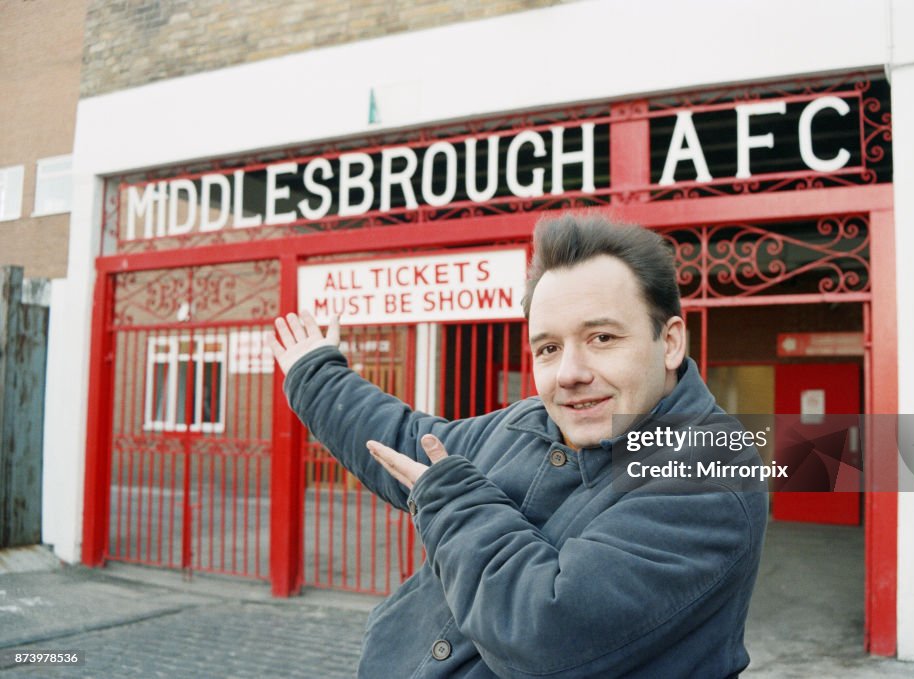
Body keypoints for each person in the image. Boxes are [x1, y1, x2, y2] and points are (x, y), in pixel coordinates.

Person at [270, 213, 768, 678]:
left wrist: (454, 502)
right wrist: (315, 374)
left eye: (601, 338)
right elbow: (407, 447)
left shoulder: (715, 465)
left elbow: (547, 632)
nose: (570, 374)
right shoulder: (527, 423)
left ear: (672, 342)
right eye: (549, 348)